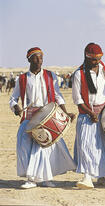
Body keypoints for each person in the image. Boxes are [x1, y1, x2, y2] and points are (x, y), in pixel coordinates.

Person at [9, 47, 76, 189]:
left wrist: (66, 113)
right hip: (29, 118)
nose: (39, 60)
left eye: (41, 57)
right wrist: (16, 108)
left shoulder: (50, 76)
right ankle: (31, 179)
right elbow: (13, 99)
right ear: (29, 59)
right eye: (36, 57)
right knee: (26, 147)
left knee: (45, 148)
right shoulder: (21, 79)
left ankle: (46, 179)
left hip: (47, 118)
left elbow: (58, 96)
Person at [72, 43, 105, 189]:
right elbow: (78, 100)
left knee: (103, 147)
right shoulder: (78, 74)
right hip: (87, 115)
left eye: (99, 59)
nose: (97, 62)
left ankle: (101, 176)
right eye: (94, 59)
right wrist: (90, 113)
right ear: (87, 57)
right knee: (87, 146)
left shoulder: (104, 68)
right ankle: (87, 177)